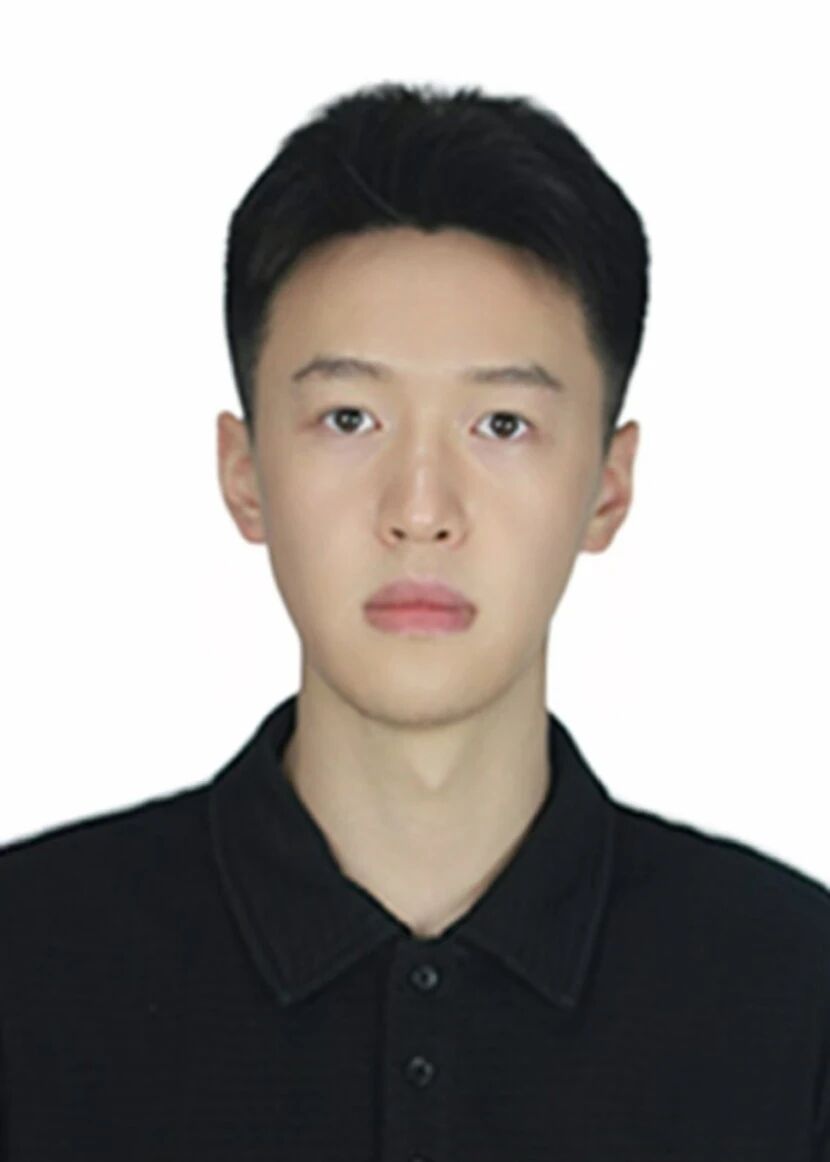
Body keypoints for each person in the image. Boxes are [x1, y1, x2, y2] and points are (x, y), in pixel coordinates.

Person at [1, 80, 827, 1161]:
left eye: (502, 423)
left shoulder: (791, 995)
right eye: (350, 417)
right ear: (244, 474)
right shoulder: (29, 965)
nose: (421, 509)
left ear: (607, 486)